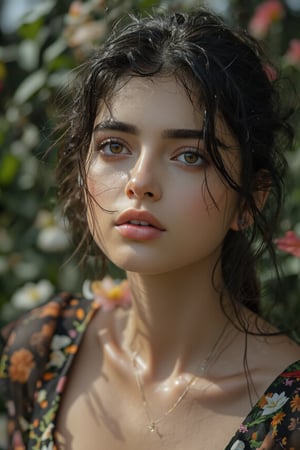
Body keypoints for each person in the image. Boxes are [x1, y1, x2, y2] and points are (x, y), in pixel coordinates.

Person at [1, 6, 300, 450]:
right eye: (114, 146)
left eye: (190, 155)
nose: (140, 182)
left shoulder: (288, 414)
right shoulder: (39, 351)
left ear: (250, 201)